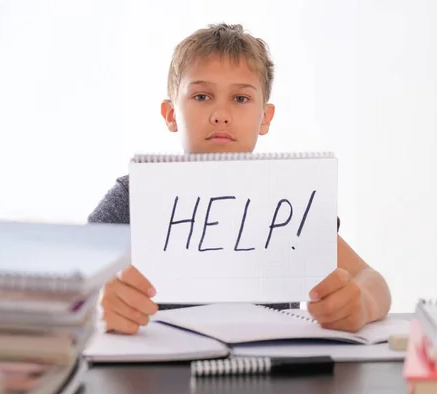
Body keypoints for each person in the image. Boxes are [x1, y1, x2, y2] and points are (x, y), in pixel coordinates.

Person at [89, 23, 392, 335]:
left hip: (268, 371)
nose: (221, 113)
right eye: (202, 96)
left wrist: (362, 303)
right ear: (170, 114)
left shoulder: (287, 202)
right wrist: (99, 302)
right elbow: (69, 284)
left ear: (265, 117)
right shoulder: (136, 195)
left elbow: (370, 279)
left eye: (241, 99)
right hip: (159, 373)